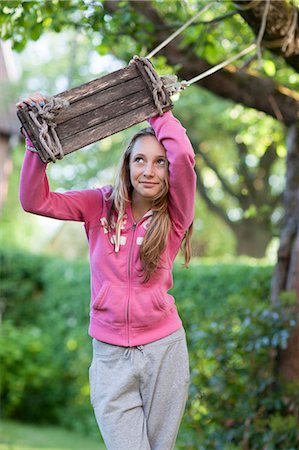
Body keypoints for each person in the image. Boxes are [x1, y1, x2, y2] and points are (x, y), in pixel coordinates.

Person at [17, 91, 197, 450]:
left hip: (164, 349)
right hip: (110, 355)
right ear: (127, 166)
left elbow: (183, 155)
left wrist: (154, 111)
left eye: (160, 162)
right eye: (140, 160)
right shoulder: (98, 205)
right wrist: (35, 144)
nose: (148, 170)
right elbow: (34, 200)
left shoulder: (176, 214)